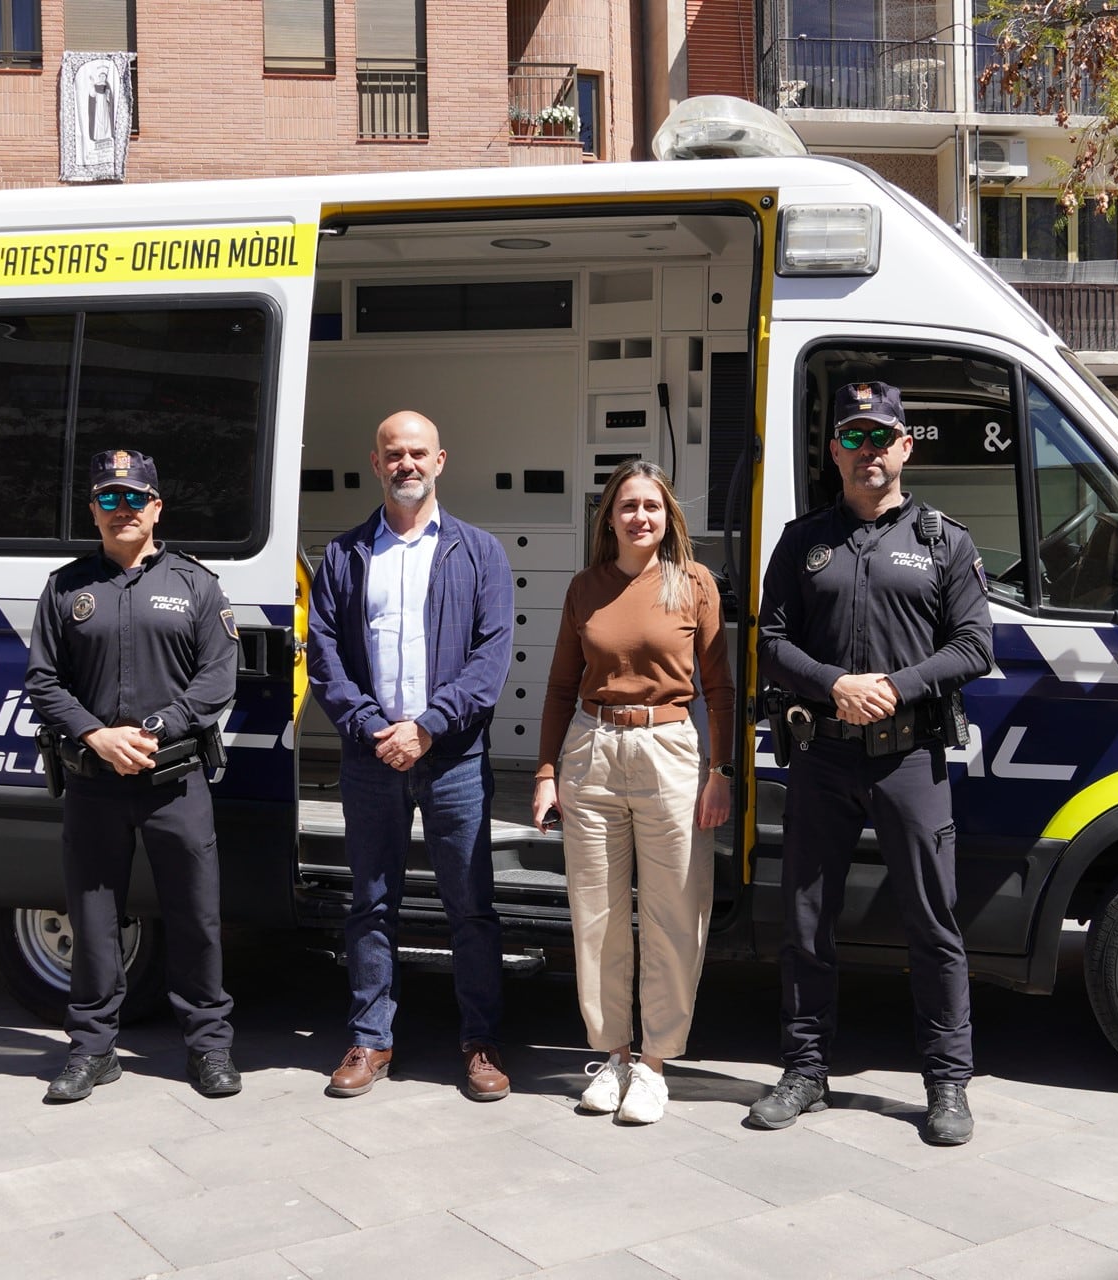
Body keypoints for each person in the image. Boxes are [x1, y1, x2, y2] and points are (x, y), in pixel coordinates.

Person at [749, 380, 995, 1146]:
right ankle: (804, 1071)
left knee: (934, 925)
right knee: (807, 922)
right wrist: (834, 686)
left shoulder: (943, 541)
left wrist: (892, 688)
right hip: (821, 755)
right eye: (853, 439)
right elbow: (771, 641)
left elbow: (975, 645)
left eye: (880, 438)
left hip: (908, 759)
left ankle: (947, 1085)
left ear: (905, 446)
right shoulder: (803, 541)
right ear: (834, 451)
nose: (868, 453)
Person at [306, 410, 517, 1102]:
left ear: (441, 461)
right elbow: (326, 656)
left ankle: (480, 1042)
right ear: (376, 463)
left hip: (452, 756)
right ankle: (371, 1039)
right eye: (394, 454)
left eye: (417, 453)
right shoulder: (343, 555)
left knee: (471, 906)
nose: (406, 464)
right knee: (370, 903)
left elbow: (490, 660)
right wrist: (375, 728)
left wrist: (426, 727)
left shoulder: (479, 552)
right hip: (371, 758)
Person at [24, 449, 242, 1105]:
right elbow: (43, 680)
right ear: (93, 510)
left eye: (133, 498)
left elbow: (217, 679)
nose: (122, 510)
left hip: (174, 779)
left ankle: (208, 1048)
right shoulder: (66, 588)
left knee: (196, 918)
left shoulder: (197, 585)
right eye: (108, 499)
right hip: (92, 779)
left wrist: (154, 732)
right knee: (93, 919)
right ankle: (92, 1051)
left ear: (157, 506)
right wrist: (96, 733)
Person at [530, 460, 735, 1125]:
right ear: (609, 517)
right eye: (627, 506)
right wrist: (543, 773)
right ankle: (614, 1055)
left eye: (651, 505)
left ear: (667, 515)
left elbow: (720, 690)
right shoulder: (584, 588)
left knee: (677, 912)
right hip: (591, 752)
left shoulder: (694, 584)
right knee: (597, 915)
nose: (640, 517)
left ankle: (655, 1065)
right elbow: (561, 686)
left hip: (670, 751)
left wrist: (720, 773)